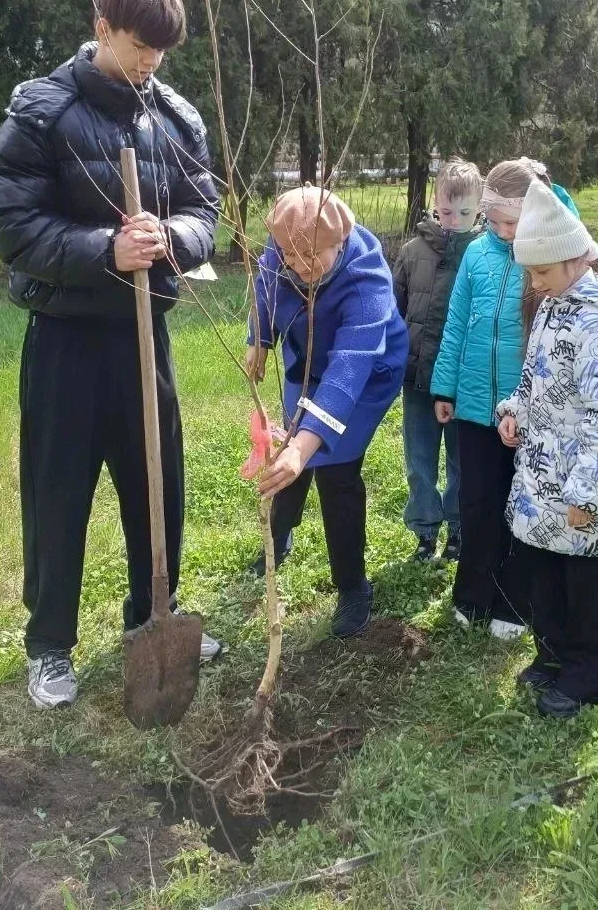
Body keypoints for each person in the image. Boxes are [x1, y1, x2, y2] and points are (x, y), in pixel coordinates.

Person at [0, 0, 220, 710]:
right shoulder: (42, 113)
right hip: (65, 339)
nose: (150, 62)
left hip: (143, 335)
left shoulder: (173, 118)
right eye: (140, 44)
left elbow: (204, 212)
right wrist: (103, 250)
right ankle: (50, 646)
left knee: (159, 487)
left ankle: (156, 612)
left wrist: (169, 235)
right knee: (59, 494)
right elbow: (10, 222)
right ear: (103, 28)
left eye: (162, 50)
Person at [497, 180, 598, 717]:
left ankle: (591, 675)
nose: (533, 284)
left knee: (586, 585)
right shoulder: (555, 306)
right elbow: (538, 381)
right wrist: (514, 409)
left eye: (540, 272)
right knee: (547, 576)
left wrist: (588, 493)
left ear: (572, 259)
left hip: (583, 485)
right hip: (543, 476)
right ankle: (554, 655)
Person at [245, 185, 408, 638]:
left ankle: (353, 587)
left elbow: (348, 371)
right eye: (290, 258)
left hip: (364, 375)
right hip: (308, 361)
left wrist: (306, 443)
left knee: (332, 468)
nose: (298, 268)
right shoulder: (285, 250)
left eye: (310, 258)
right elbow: (265, 282)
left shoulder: (367, 281)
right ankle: (279, 535)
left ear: (341, 241)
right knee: (291, 452)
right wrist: (258, 336)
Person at [430, 158, 579, 637]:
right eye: (492, 221)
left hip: (526, 412)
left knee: (522, 506)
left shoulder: (547, 257)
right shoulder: (477, 254)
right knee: (477, 502)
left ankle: (512, 605)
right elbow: (455, 323)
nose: (500, 230)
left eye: (509, 222)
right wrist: (444, 386)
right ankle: (472, 595)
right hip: (474, 407)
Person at [393, 159, 484, 563]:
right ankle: (425, 533)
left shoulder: (485, 254)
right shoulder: (412, 252)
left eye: (464, 213)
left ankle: (460, 533)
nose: (454, 221)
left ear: (480, 208)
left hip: (465, 383)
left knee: (461, 463)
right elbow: (393, 311)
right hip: (417, 379)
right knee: (419, 460)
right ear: (434, 203)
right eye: (446, 212)